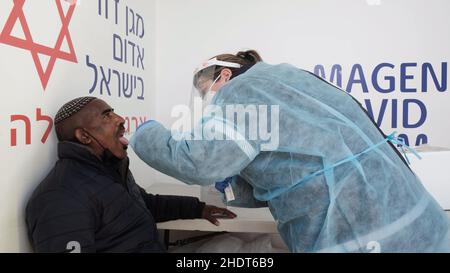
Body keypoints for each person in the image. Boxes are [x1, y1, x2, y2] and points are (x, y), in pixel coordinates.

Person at [129, 50, 450, 253]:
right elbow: (290, 171)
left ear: (223, 76)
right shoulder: (288, 79)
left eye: (204, 92)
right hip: (417, 222)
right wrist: (235, 187)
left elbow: (196, 162)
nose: (206, 101)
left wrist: (143, 131)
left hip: (364, 235)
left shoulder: (243, 89)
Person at [26, 96, 236, 253]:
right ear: (84, 136)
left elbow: (145, 204)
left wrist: (198, 209)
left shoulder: (109, 171)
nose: (120, 119)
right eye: (107, 115)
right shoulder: (61, 196)